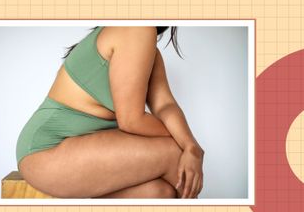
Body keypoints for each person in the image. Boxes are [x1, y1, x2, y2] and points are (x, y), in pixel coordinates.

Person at [16, 26, 204, 198]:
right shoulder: (136, 28)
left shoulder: (149, 49)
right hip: (47, 150)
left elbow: (164, 105)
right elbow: (132, 121)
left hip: (80, 150)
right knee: (173, 153)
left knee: (160, 193)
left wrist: (191, 146)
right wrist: (181, 144)